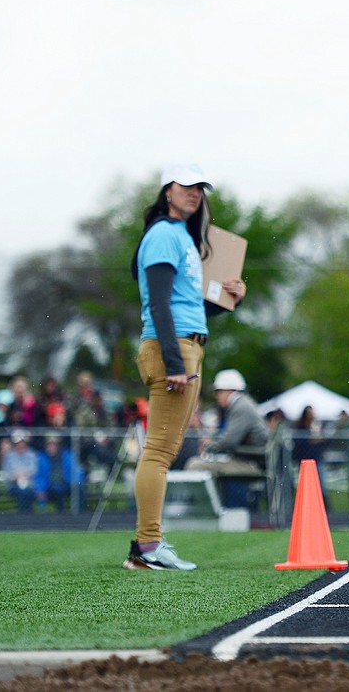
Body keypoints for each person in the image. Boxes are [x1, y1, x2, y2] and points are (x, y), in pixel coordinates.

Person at [123, 163, 247, 571]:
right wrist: (175, 362)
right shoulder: (162, 233)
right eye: (186, 185)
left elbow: (190, 308)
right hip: (170, 349)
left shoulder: (182, 237)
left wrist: (232, 298)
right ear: (167, 190)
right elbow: (158, 303)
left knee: (164, 450)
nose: (194, 193)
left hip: (184, 345)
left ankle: (148, 544)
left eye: (200, 188)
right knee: (159, 452)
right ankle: (147, 546)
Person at [187, 369, 268, 509]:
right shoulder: (245, 404)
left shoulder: (241, 407)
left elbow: (230, 440)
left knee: (194, 465)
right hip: (251, 460)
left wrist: (209, 446)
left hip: (252, 464)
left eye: (218, 392)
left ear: (229, 390)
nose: (216, 396)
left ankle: (204, 510)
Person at [34, 435, 84, 513]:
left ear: (58, 446)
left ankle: (80, 514)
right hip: (49, 487)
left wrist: (76, 483)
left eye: (54, 445)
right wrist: (40, 489)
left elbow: (77, 471)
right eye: (49, 445)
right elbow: (39, 476)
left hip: (67, 484)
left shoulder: (68, 456)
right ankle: (60, 514)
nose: (51, 447)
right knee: (57, 490)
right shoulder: (41, 458)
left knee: (78, 489)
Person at [1, 430, 38, 513]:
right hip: (13, 485)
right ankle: (21, 516)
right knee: (22, 492)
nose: (21, 444)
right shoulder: (9, 456)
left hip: (29, 483)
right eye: (19, 442)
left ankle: (28, 515)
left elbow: (34, 470)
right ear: (14, 443)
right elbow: (6, 473)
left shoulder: (31, 454)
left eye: (23, 441)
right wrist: (15, 476)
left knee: (28, 491)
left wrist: (24, 474)